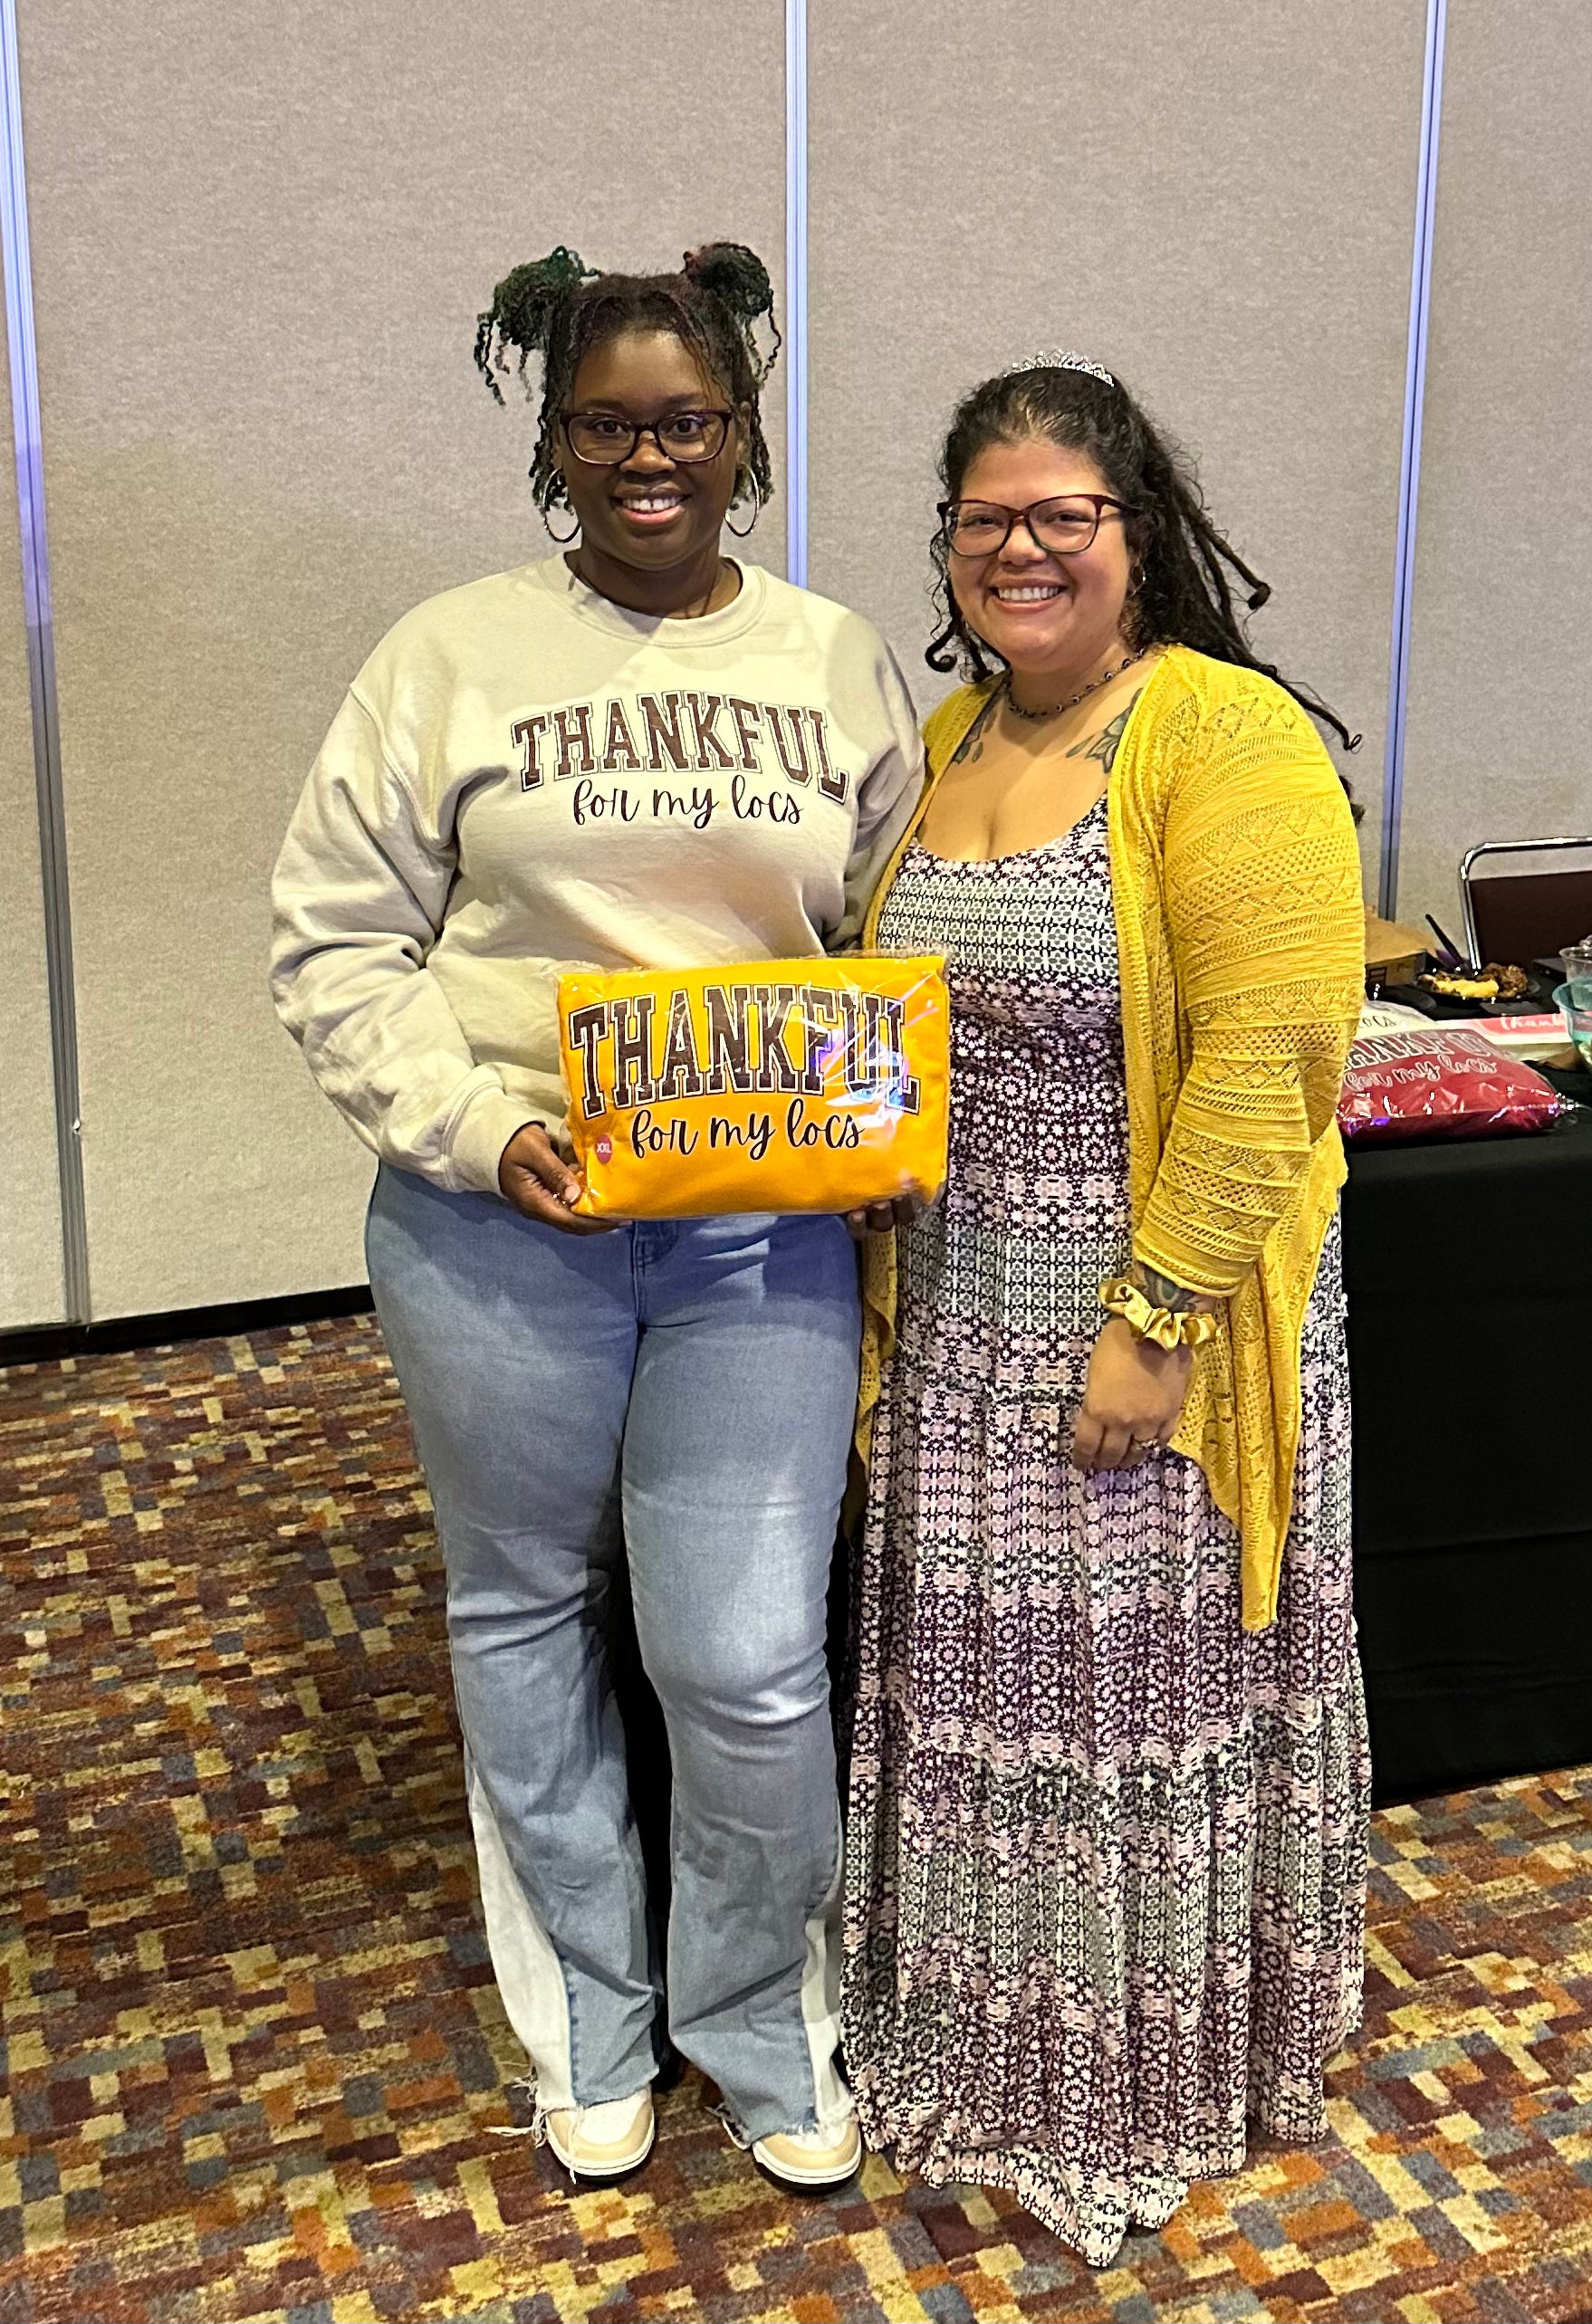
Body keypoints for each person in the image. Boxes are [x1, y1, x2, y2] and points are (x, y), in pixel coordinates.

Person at [269, 244, 922, 2194]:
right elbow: (332, 939)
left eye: (690, 422)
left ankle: (754, 2016)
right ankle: (592, 2017)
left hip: (755, 1236)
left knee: (743, 1657)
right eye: (608, 424)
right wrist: (472, 1129)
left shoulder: (833, 658)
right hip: (499, 1230)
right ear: (556, 444)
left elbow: (893, 935)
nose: (653, 456)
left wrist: (892, 1113)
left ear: (743, 435)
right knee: (529, 1613)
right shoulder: (447, 655)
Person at [840, 352, 1370, 2263]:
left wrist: (1152, 1322)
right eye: (989, 520)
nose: (1023, 548)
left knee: (1121, 1712)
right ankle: (977, 2048)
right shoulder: (947, 740)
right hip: (964, 1314)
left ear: (1137, 537)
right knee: (987, 1697)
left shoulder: (1221, 737)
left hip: (1154, 1320)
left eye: (1066, 514)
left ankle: (1131, 2079)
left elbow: (1271, 1052)